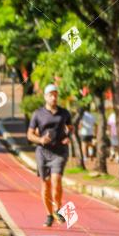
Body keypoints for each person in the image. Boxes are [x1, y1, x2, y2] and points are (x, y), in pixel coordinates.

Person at [27, 84, 73, 227]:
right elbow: (29, 134)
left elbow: (70, 128)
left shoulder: (64, 113)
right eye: (50, 95)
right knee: (45, 185)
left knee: (56, 181)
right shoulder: (38, 114)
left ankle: (58, 208)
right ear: (45, 97)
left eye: (55, 95)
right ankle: (49, 214)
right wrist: (40, 139)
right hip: (43, 152)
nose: (53, 97)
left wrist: (68, 136)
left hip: (59, 152)